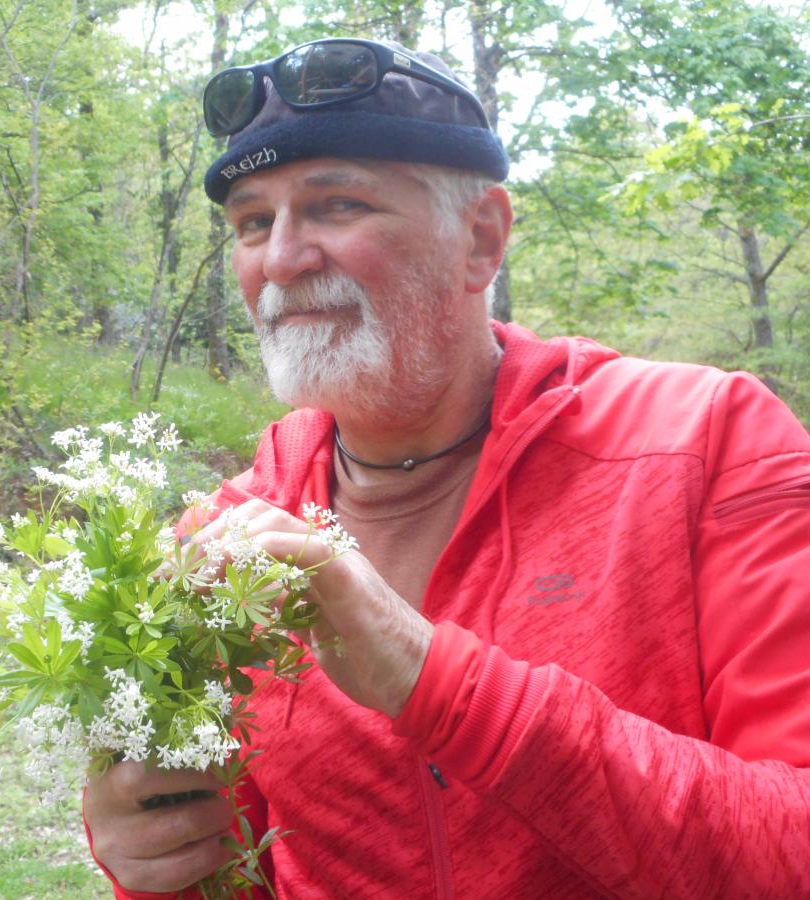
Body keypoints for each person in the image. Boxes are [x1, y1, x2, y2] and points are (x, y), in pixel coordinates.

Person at [83, 37, 810, 898]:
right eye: (251, 221)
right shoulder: (223, 539)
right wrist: (149, 854)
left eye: (337, 205)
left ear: (481, 239)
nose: (282, 259)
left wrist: (436, 685)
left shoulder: (704, 443)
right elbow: (237, 864)